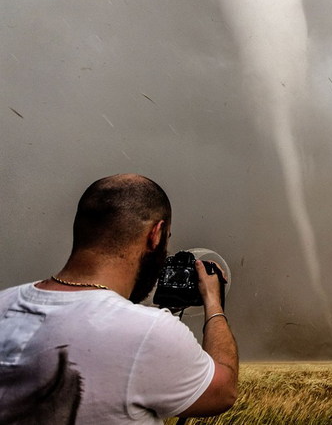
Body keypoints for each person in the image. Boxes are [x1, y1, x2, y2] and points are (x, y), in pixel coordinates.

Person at [0, 174, 238, 424]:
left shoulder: (4, 303)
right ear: (155, 234)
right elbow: (224, 391)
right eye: (166, 238)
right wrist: (214, 303)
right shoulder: (150, 332)